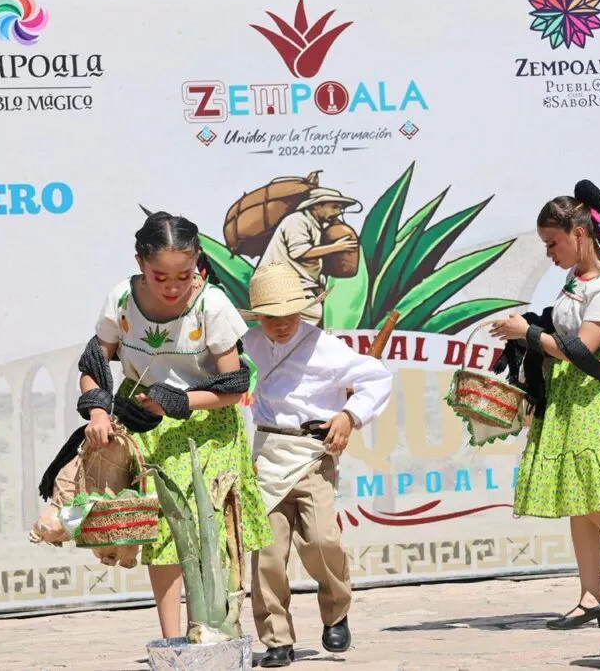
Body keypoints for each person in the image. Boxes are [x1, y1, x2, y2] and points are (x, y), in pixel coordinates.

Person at [83, 212, 274, 639]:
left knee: (211, 531)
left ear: (198, 265)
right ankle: (172, 642)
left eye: (183, 275)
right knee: (164, 533)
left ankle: (217, 634)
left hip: (208, 427)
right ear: (139, 264)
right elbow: (94, 363)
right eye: (159, 276)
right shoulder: (120, 300)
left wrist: (177, 401)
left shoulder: (213, 305)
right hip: (145, 425)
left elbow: (232, 385)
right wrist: (98, 411)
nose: (172, 287)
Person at [490, 180, 600, 630]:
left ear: (579, 235)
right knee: (578, 496)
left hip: (593, 397)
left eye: (553, 243)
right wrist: (531, 328)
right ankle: (591, 597)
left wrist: (526, 334)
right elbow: (562, 333)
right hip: (570, 395)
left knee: (598, 498)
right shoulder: (576, 280)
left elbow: (582, 350)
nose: (550, 253)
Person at [240, 262, 392, 667]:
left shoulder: (325, 347)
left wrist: (348, 416)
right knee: (267, 555)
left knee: (322, 542)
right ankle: (276, 639)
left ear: (303, 310)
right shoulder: (248, 343)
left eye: (288, 314)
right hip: (267, 456)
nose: (281, 323)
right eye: (271, 317)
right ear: (259, 317)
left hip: (313, 456)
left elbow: (376, 378)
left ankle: (336, 612)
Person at [257, 187, 361, 324]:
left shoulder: (314, 224)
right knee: (311, 315)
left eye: (340, 208)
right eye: (334, 207)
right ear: (317, 205)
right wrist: (337, 247)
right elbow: (299, 252)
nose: (338, 212)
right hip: (281, 284)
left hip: (297, 285)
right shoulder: (297, 221)